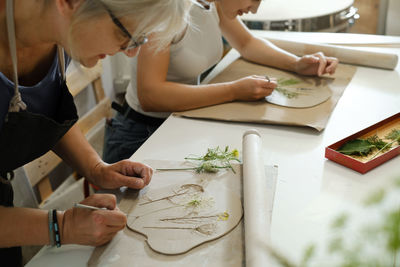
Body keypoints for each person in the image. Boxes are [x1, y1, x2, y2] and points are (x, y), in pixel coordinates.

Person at [0, 0, 191, 266]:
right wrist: (62, 226)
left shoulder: (60, 35)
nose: (131, 53)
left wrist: (96, 167)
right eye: (128, 36)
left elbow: (44, 111)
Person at [103, 0, 339, 164]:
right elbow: (151, 96)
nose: (254, 10)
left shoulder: (212, 4)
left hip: (181, 123)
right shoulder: (168, 10)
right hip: (141, 135)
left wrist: (296, 63)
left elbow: (246, 43)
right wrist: (234, 90)